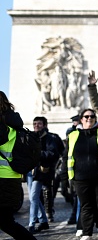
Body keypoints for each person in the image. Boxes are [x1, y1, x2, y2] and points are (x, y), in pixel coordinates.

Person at [67, 108, 98, 240]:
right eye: (86, 116)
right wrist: (66, 177)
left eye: (92, 116)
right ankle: (87, 233)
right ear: (81, 119)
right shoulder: (72, 135)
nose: (89, 119)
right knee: (86, 207)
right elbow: (67, 156)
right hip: (80, 178)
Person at [0, 91, 37, 240]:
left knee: (7, 223)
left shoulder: (3, 126)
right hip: (10, 179)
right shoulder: (12, 124)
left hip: (3, 180)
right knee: (7, 223)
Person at [27, 116, 63, 232]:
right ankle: (43, 220)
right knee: (35, 198)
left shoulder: (50, 138)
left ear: (45, 125)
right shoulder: (30, 137)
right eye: (34, 124)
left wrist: (38, 154)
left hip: (41, 172)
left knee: (33, 197)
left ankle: (32, 223)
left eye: (39, 124)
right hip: (30, 172)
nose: (36, 126)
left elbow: (53, 153)